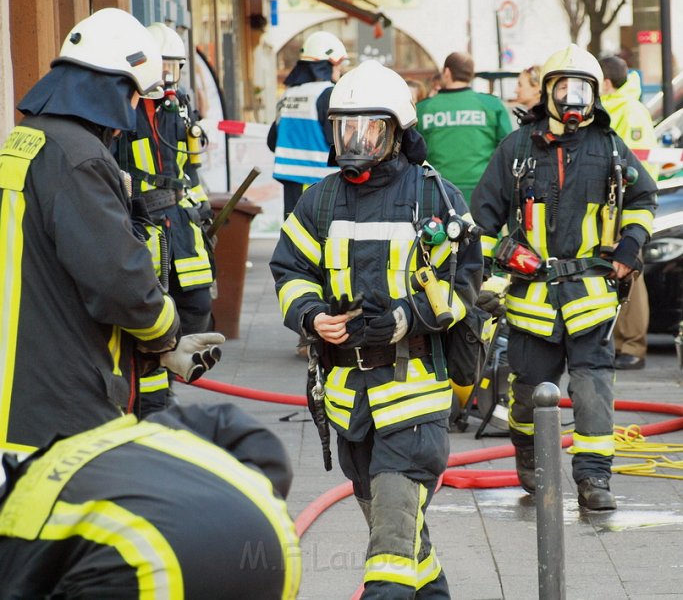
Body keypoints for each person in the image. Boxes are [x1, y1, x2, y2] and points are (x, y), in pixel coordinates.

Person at [271, 59, 483, 598]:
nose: (356, 141)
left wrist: (403, 319)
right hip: (350, 405)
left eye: (369, 128)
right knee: (410, 545)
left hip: (414, 400)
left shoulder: (434, 198)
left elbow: (463, 288)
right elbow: (289, 269)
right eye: (346, 129)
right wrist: (312, 315)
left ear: (397, 133)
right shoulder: (320, 199)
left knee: (387, 555)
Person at [0, 7, 223, 455]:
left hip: (20, 376)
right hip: (57, 400)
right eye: (137, 96)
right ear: (117, 88)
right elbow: (119, 280)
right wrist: (167, 334)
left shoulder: (25, 139)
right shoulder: (81, 157)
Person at [471, 44, 658, 511]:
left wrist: (631, 245)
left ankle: (594, 479)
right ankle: (531, 456)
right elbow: (480, 223)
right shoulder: (516, 149)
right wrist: (503, 259)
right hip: (531, 299)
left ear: (595, 95)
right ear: (549, 92)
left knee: (594, 389)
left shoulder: (609, 148)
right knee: (529, 393)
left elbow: (643, 198)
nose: (573, 99)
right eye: (564, 88)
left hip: (591, 297)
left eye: (583, 89)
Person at [0, 402, 301, 599]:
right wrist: (251, 494)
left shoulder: (16, 522)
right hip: (273, 542)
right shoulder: (128, 434)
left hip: (149, 572)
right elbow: (239, 429)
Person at [113, 22, 215, 413]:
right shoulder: (126, 107)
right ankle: (154, 386)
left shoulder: (181, 104)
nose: (169, 78)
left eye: (175, 68)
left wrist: (200, 204)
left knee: (197, 299)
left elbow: (190, 164)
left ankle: (175, 363)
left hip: (180, 214)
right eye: (164, 68)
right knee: (155, 300)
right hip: (143, 217)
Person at [600, 55, 658, 370]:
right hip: (611, 207)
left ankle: (633, 345)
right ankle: (622, 343)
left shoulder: (631, 111)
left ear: (606, 83)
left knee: (632, 273)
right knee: (619, 274)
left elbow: (640, 168)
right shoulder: (615, 108)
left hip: (626, 206)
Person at [267, 30, 348, 218]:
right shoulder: (329, 93)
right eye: (339, 64)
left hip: (291, 183)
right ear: (328, 64)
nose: (340, 70)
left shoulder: (287, 95)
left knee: (295, 238)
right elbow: (338, 142)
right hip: (322, 183)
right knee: (321, 238)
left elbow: (273, 142)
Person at [416, 51, 512, 205]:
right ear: (471, 75)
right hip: (484, 193)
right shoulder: (491, 105)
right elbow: (509, 149)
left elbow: (413, 152)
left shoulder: (423, 108)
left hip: (439, 192)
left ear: (447, 72)